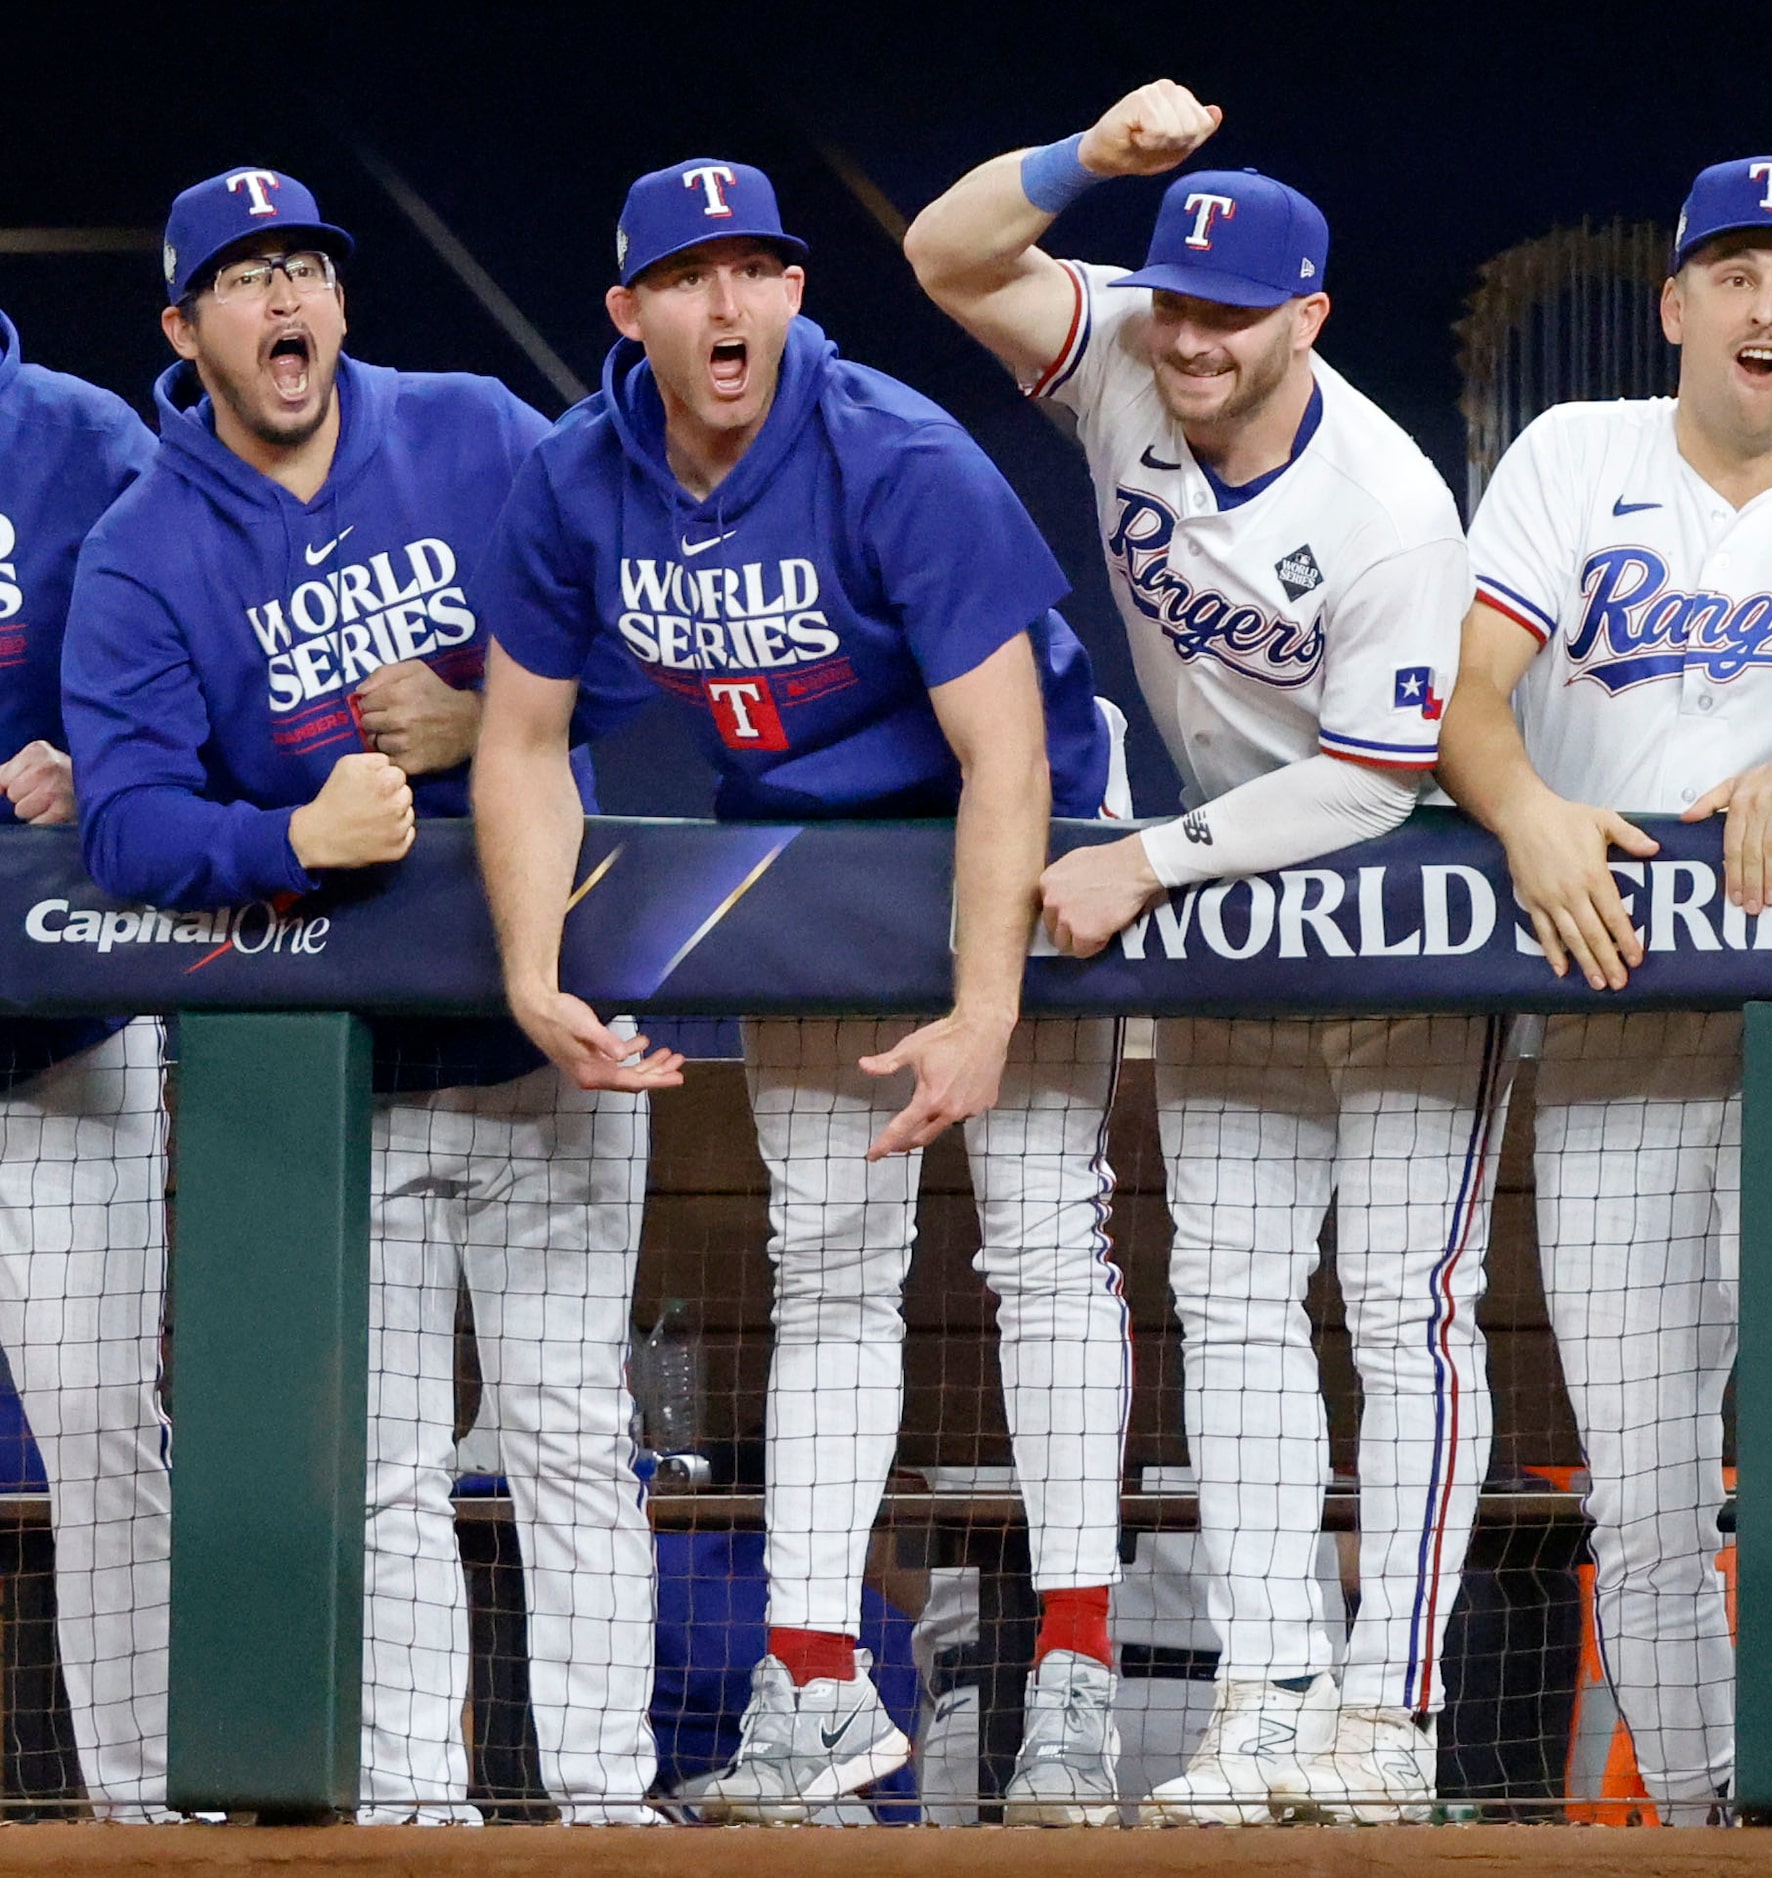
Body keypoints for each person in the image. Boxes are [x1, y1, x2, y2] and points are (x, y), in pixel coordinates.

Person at [469, 158, 1135, 1826]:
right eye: (690, 277)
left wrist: (988, 1005)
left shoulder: (893, 450)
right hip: (820, 857)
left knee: (1044, 1239)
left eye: (757, 269)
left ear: (794, 294)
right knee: (827, 1263)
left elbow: (1006, 756)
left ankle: (1075, 1680)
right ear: (631, 312)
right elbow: (523, 741)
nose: (728, 303)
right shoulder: (577, 474)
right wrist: (531, 967)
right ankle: (820, 1687)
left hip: (1025, 825)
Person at [908, 81, 1512, 1827]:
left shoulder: (1391, 502)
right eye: (1176, 297)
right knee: (1234, 1304)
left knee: (1408, 1315)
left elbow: (1383, 774)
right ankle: (1265, 1689)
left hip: (1402, 903)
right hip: (1227, 898)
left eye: (1233, 313)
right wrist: (1092, 163)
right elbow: (950, 253)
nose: (1191, 335)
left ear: (1307, 318)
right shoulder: (1121, 351)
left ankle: (1386, 1714)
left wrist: (1149, 863)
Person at [60, 167, 659, 1824]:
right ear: (187, 331)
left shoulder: (473, 431)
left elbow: (639, 615)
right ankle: (413, 1813)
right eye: (243, 281)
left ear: (338, 301)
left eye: (303, 267)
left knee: (569, 1434)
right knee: (385, 1469)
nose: (283, 301)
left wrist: (495, 723)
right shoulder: (141, 548)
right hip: (326, 1079)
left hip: (540, 1028)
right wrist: (286, 835)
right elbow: (121, 817)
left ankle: (606, 1807)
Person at [1436, 156, 1772, 1824]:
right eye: (1734, 273)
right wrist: (1524, 803)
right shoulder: (1572, 456)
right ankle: (1706, 1824)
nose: (1767, 306)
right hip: (1612, 1010)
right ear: (1675, 306)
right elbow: (1466, 704)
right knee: (1648, 1491)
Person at [0, 300, 170, 1818]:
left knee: (103, 1424)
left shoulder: (84, 438)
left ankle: (142, 1805)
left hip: (67, 1038)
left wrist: (92, 752)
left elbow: (183, 673)